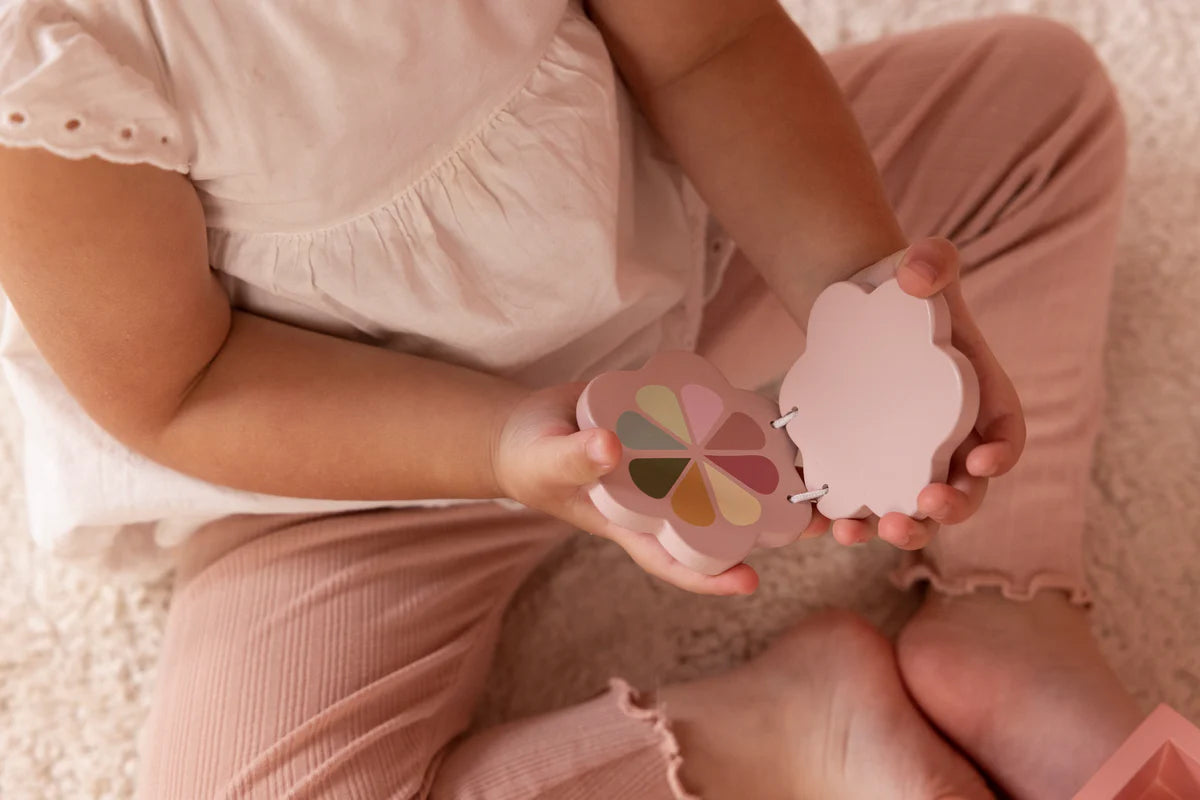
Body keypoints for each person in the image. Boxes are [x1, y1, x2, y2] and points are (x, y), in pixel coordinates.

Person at [0, 0, 1141, 797]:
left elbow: (713, 47)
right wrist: (498, 444)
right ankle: (783, 731)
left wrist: (858, 295)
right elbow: (182, 385)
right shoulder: (55, 47)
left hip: (659, 268)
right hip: (346, 468)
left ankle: (1007, 605)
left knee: (1039, 107)